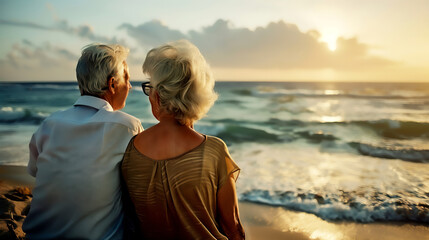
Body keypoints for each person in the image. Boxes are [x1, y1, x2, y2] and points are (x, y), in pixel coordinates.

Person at [121, 40, 245, 240]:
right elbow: (232, 226)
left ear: (159, 96)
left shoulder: (131, 151)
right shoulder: (214, 151)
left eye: (149, 88)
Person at [23, 43, 143, 239]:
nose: (130, 86)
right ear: (112, 84)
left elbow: (35, 171)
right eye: (127, 78)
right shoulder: (127, 127)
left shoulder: (49, 124)